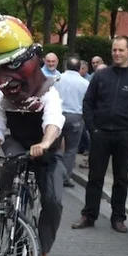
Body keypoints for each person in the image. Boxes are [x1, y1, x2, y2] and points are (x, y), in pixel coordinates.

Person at [0, 15, 64, 256]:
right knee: (9, 161)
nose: (5, 79)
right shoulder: (0, 99)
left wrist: (45, 143)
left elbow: (53, 121)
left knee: (53, 201)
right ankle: (5, 204)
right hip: (19, 141)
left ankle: (44, 252)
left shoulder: (49, 93)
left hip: (46, 148)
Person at [72, 36, 128, 233]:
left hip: (124, 135)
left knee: (121, 178)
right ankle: (89, 215)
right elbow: (88, 103)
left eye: (121, 50)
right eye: (114, 50)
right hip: (100, 134)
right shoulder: (101, 76)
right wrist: (93, 129)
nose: (117, 53)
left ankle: (118, 217)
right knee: (94, 177)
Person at [54, 56, 89, 188]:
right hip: (75, 117)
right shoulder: (85, 83)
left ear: (66, 66)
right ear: (79, 68)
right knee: (71, 149)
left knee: (54, 147)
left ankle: (52, 173)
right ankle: (65, 177)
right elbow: (87, 102)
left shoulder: (57, 79)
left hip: (57, 115)